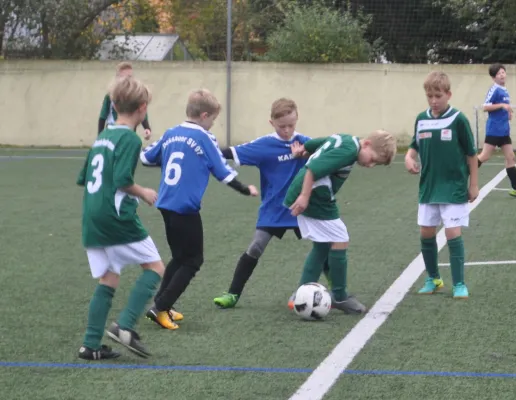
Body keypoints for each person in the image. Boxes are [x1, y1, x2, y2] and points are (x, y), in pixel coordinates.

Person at [140, 89, 258, 330]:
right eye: (213, 119)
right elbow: (222, 172)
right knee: (193, 261)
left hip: (165, 204)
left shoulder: (171, 133)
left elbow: (147, 158)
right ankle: (160, 307)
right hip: (186, 207)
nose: (213, 124)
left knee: (180, 257)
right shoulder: (206, 138)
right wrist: (245, 189)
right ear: (204, 115)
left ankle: (162, 304)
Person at [213, 98, 334, 309]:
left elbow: (330, 152)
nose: (287, 130)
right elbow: (229, 153)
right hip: (273, 209)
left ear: (297, 120)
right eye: (282, 126)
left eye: (291, 125)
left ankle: (337, 292)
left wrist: (307, 153)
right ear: (272, 123)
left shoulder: (307, 142)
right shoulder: (264, 145)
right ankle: (232, 294)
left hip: (302, 209)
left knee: (322, 246)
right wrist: (203, 151)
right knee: (255, 247)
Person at [77, 75, 164, 360]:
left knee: (109, 278)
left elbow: (83, 177)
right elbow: (123, 179)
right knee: (155, 267)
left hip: (92, 216)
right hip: (115, 217)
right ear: (142, 108)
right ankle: (124, 326)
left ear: (113, 105)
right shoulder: (129, 138)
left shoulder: (102, 137)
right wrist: (144, 192)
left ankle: (90, 345)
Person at [284, 130, 397, 314]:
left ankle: (301, 294)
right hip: (314, 195)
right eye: (373, 159)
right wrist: (304, 197)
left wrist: (303, 149)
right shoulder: (349, 151)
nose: (370, 165)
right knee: (340, 238)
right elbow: (313, 168)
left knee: (323, 244)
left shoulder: (346, 139)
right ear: (367, 144)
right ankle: (339, 296)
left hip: (312, 193)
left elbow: (320, 141)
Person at [404, 71, 479, 299]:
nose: (434, 100)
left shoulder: (458, 119)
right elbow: (414, 145)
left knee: (452, 233)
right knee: (426, 233)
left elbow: (471, 154)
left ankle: (459, 284)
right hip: (428, 186)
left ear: (448, 94)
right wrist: (409, 157)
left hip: (454, 186)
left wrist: (473, 184)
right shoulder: (421, 119)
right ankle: (434, 279)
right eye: (429, 96)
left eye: (438, 95)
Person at [477, 63, 516, 199]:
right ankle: (461, 173)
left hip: (504, 131)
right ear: (494, 77)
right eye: (499, 73)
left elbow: (504, 107)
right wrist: (502, 105)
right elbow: (485, 107)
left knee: (511, 158)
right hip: (494, 130)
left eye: (503, 72)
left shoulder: (505, 90)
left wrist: (508, 112)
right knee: (484, 157)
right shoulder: (494, 89)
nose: (502, 75)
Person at [98, 61, 152, 140]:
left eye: (130, 77)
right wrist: (100, 136)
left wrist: (147, 128)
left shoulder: (136, 96)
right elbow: (102, 117)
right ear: (117, 79)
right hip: (112, 133)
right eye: (124, 77)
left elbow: (142, 112)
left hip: (129, 132)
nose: (127, 80)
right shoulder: (110, 96)